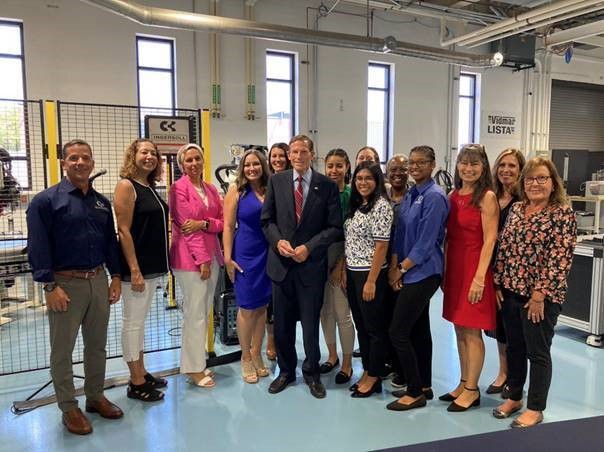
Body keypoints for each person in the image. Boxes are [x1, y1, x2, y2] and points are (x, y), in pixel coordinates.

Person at [26, 139, 122, 435]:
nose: (80, 163)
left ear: (92, 163)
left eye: (85, 158)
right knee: (62, 350)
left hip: (97, 281)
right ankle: (68, 407)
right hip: (64, 285)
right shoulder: (46, 201)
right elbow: (38, 246)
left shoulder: (101, 203)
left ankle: (94, 396)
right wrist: (49, 286)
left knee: (97, 345)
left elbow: (110, 242)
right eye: (73, 158)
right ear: (63, 163)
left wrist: (115, 276)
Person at [492, 157, 576, 428]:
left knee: (538, 352)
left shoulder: (562, 213)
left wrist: (539, 295)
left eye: (542, 178)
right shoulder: (517, 209)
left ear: (553, 184)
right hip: (510, 291)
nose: (535, 184)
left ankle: (536, 408)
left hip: (540, 299)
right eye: (530, 179)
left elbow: (560, 258)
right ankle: (514, 396)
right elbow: (505, 248)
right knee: (514, 347)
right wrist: (497, 282)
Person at [261, 134, 342, 399]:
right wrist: (278, 242)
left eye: (302, 152)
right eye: (293, 152)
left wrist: (309, 247)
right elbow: (267, 221)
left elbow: (333, 228)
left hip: (311, 266)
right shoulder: (276, 181)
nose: (297, 156)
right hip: (281, 266)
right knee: (282, 324)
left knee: (309, 323)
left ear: (312, 154)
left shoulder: (326, 186)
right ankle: (285, 372)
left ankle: (312, 372)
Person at [386, 146, 449, 411]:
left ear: (432, 165)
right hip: (409, 270)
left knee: (398, 331)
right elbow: (401, 234)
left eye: (421, 162)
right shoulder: (412, 194)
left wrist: (400, 269)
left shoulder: (434, 197)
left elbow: (425, 244)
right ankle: (424, 383)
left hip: (424, 272)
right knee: (419, 330)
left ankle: (413, 391)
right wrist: (398, 265)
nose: (414, 167)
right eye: (412, 162)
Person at [441, 143, 499, 412]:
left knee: (472, 331)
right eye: (464, 162)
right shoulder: (453, 195)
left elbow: (490, 240)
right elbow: (449, 238)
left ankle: (473, 390)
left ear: (483, 167)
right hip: (455, 268)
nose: (468, 168)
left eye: (475, 163)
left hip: (475, 270)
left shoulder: (486, 197)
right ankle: (463, 382)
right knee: (459, 327)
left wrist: (479, 278)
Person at [114, 138, 169, 402]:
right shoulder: (127, 186)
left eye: (153, 153)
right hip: (136, 269)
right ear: (133, 155)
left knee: (140, 323)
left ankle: (142, 372)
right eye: (144, 152)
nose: (149, 157)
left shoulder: (148, 186)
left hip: (151, 267)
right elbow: (123, 230)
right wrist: (134, 269)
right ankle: (135, 382)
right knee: (132, 324)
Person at [169, 143, 223, 388]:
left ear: (203, 161)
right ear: (182, 164)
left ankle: (198, 362)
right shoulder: (178, 189)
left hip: (212, 256)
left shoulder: (210, 189)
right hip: (190, 260)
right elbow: (185, 227)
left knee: (203, 312)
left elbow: (221, 222)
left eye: (197, 159)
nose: (193, 164)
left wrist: (203, 224)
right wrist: (202, 261)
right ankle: (192, 368)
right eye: (188, 160)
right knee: (194, 315)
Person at [223, 149, 272, 384]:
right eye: (247, 165)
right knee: (247, 308)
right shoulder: (237, 191)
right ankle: (245, 357)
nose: (251, 168)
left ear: (263, 165)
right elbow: (228, 226)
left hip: (267, 253)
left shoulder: (270, 189)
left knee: (262, 306)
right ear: (242, 168)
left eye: (256, 164)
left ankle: (256, 353)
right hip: (245, 253)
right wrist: (227, 257)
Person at [345, 161, 393, 398]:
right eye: (359, 179)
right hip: (354, 272)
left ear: (377, 181)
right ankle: (366, 370)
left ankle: (374, 375)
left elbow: (382, 245)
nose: (363, 183)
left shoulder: (381, 206)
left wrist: (372, 280)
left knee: (374, 328)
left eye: (368, 178)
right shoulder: (359, 204)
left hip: (370, 274)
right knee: (361, 326)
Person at [485, 148, 526, 397]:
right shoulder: (491, 197)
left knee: (515, 330)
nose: (506, 170)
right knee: (499, 327)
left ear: (521, 170)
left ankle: (515, 378)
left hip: (514, 275)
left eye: (512, 166)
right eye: (502, 165)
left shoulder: (523, 202)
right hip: (492, 271)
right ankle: (503, 372)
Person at [319, 148, 355, 384]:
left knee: (342, 313)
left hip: (343, 260)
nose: (334, 170)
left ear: (347, 167)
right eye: (330, 165)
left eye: (339, 165)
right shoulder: (319, 194)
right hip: (319, 260)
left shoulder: (352, 195)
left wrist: (341, 264)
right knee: (325, 311)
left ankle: (347, 363)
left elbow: (351, 234)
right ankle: (331, 355)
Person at [383, 154, 409, 387]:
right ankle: (389, 361)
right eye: (393, 169)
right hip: (381, 265)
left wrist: (398, 268)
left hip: (404, 267)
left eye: (402, 168)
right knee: (385, 316)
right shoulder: (382, 196)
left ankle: (403, 368)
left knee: (401, 321)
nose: (397, 173)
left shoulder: (413, 197)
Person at [265, 142, 291, 360]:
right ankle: (269, 340)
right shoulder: (264, 183)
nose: (277, 160)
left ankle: (277, 342)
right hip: (262, 246)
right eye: (273, 156)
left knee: (278, 302)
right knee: (265, 299)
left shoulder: (295, 182)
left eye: (281, 156)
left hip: (285, 250)